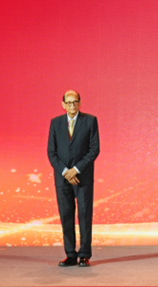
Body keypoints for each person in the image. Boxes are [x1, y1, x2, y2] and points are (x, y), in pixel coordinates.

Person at [47, 90, 100, 267]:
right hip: (62, 178)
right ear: (63, 104)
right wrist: (65, 172)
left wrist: (76, 170)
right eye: (68, 102)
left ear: (80, 103)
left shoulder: (90, 121)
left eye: (75, 102)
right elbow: (51, 152)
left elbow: (94, 150)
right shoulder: (55, 123)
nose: (72, 105)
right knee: (66, 215)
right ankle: (70, 254)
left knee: (84, 215)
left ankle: (84, 254)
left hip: (82, 177)